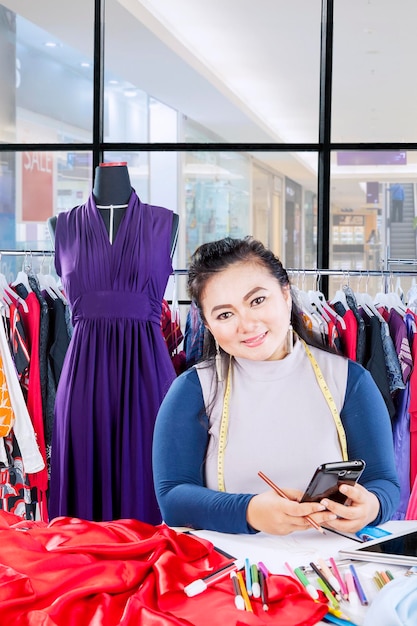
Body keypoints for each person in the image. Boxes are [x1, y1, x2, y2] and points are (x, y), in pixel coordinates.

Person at [152, 236, 400, 535]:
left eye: (257, 300)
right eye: (225, 314)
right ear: (207, 324)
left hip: (331, 564)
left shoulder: (350, 380)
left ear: (285, 294)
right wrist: (249, 511)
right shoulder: (194, 390)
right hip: (230, 569)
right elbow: (173, 498)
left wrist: (371, 505)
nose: (247, 324)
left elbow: (384, 481)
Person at [48, 163, 179, 525]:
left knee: (145, 478)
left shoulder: (165, 223)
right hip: (83, 379)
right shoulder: (63, 225)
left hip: (147, 375)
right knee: (84, 477)